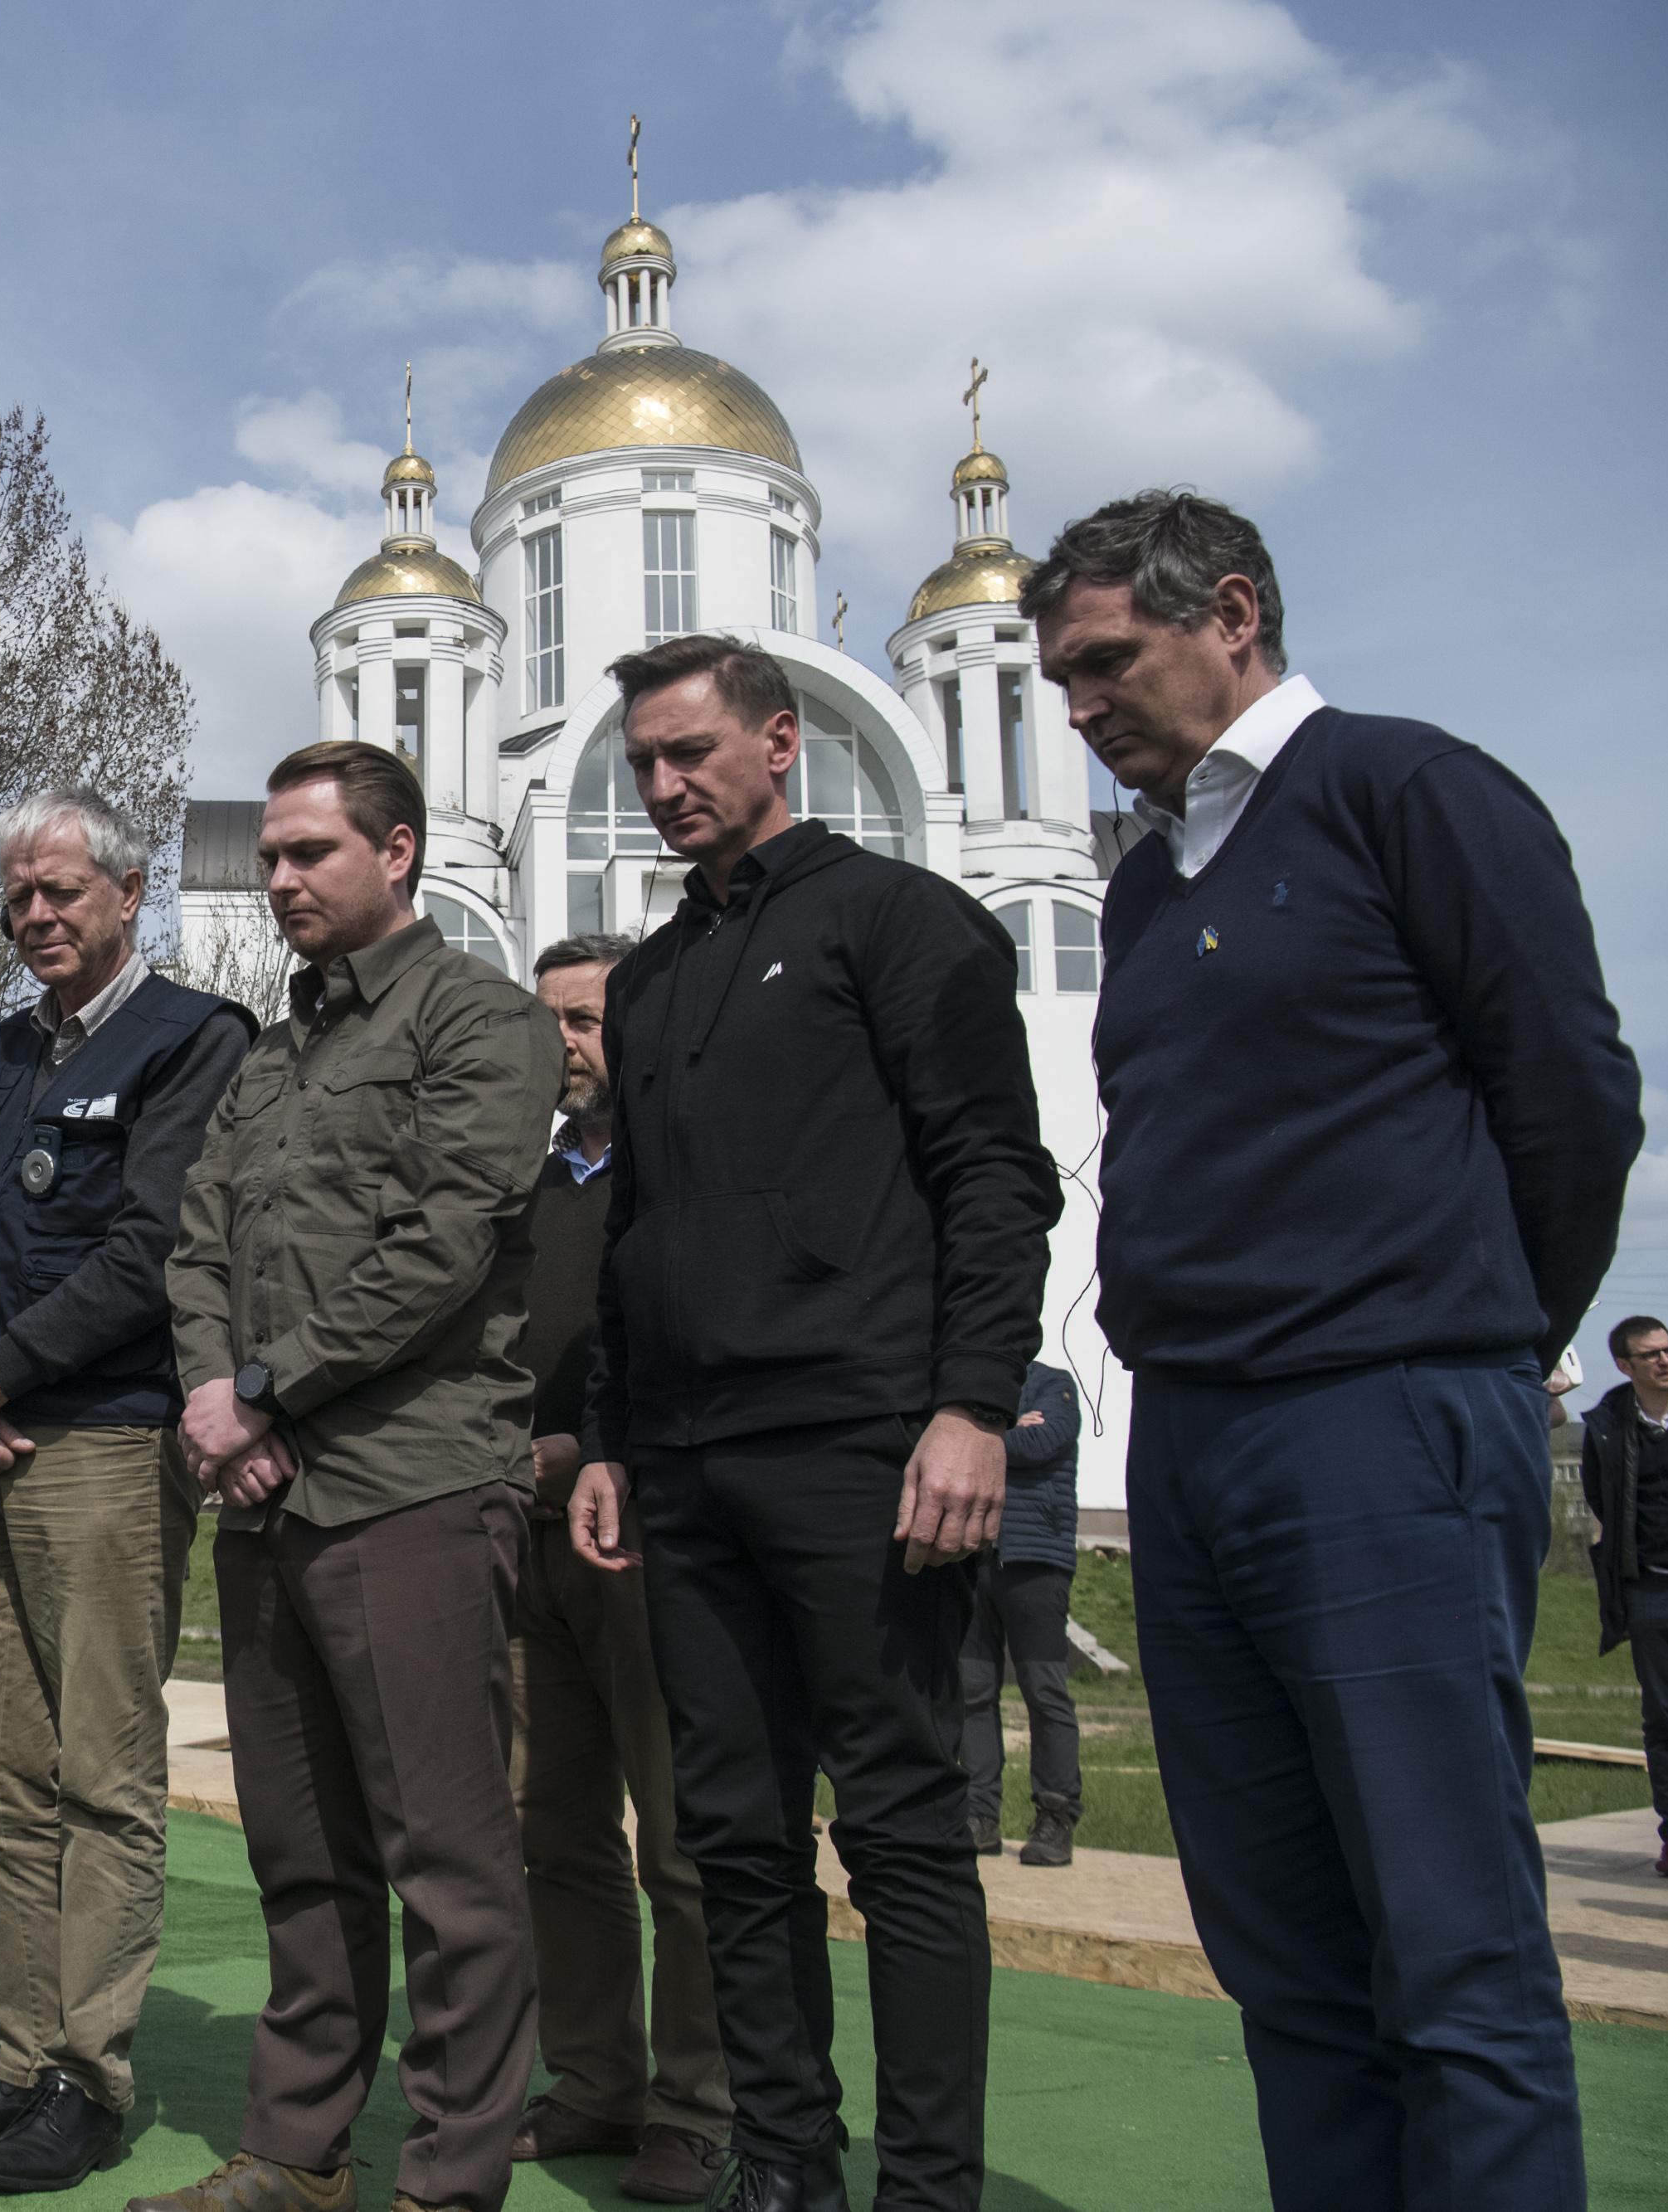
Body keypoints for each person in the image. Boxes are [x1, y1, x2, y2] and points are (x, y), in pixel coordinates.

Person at [1028, 490, 1641, 2212]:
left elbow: (1569, 1092)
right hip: (1196, 1443)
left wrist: (1483, 1331)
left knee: (1447, 1950)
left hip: (1380, 1419)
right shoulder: (1146, 885)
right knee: (1284, 1959)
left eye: (1101, 662)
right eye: (1055, 678)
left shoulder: (1405, 790)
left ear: (1230, 610)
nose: (1074, 709)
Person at [567, 634, 1058, 2212]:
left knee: (905, 1830)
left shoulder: (900, 923)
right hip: (688, 1469)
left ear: (781, 742)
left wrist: (973, 1404)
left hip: (864, 1443)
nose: (664, 786)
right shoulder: (645, 982)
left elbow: (996, 1173)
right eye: (643, 761)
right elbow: (632, 1227)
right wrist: (609, 1439)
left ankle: (927, 2186)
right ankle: (783, 2162)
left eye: (692, 752)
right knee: (732, 1834)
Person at [142, 740, 558, 2212]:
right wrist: (212, 1392)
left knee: (447, 1861)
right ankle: (297, 2153)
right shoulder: (273, 1049)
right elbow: (200, 1242)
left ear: (398, 849)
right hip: (264, 1501)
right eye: (267, 856)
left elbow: (442, 1248)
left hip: (412, 1485)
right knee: (300, 1852)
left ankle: (449, 2179)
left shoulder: (482, 1021)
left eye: (310, 851)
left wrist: (259, 1389)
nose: (280, 880)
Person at [0, 789, 255, 2192]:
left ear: (125, 892)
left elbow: (153, 1245)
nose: (37, 914)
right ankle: (14, 2052)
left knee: (102, 1772)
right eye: (19, 898)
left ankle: (86, 2077)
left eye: (63, 891)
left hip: (101, 1441)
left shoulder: (194, 1040)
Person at [513, 933, 727, 2205]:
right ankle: (595, 2078)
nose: (567, 1046)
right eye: (550, 1024)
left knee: (685, 1843)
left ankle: (699, 2105)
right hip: (523, 1542)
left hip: (652, 1532)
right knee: (554, 1831)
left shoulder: (683, 1172)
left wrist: (605, 1451)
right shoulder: (521, 1182)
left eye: (587, 1019)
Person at [960, 1363, 1082, 1867]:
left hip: (1036, 1563)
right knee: (972, 1695)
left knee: (1046, 1692)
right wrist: (1010, 1431)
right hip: (972, 1557)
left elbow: (1044, 1442)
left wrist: (978, 1441)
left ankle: (1056, 1818)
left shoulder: (1054, 1384)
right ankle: (979, 1816)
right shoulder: (965, 1387)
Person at [1583, 1317, 1668, 1880]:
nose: (1666, 1361)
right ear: (1626, 1365)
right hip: (1654, 1588)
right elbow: (1602, 1502)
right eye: (1651, 1355)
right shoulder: (1607, 1427)